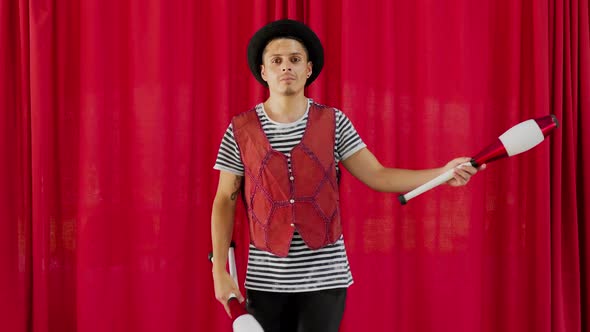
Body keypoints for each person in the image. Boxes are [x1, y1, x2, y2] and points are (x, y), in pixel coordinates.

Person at [211, 19, 485, 332]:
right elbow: (224, 199)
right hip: (266, 280)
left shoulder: (334, 122)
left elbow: (378, 175)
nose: (286, 67)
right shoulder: (240, 130)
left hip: (326, 279)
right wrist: (220, 270)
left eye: (295, 60)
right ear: (263, 71)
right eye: (276, 61)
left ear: (309, 69)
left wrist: (443, 172)